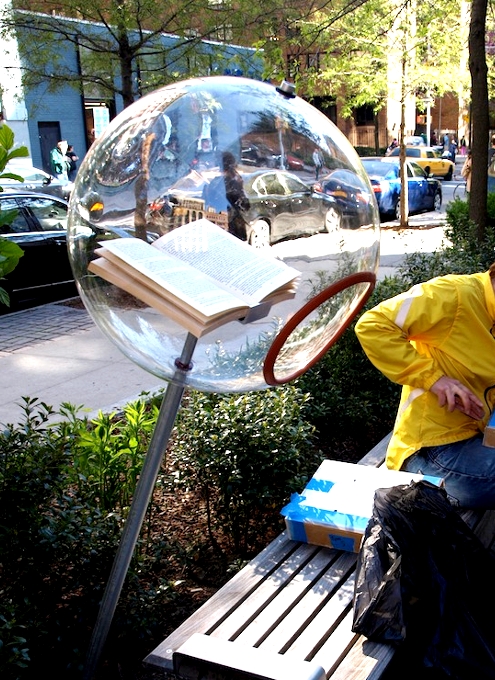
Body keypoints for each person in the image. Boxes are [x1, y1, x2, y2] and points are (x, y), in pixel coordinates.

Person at [355, 265, 495, 509]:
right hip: (430, 451)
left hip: (478, 437)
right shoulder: (453, 294)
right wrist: (434, 379)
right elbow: (373, 325)